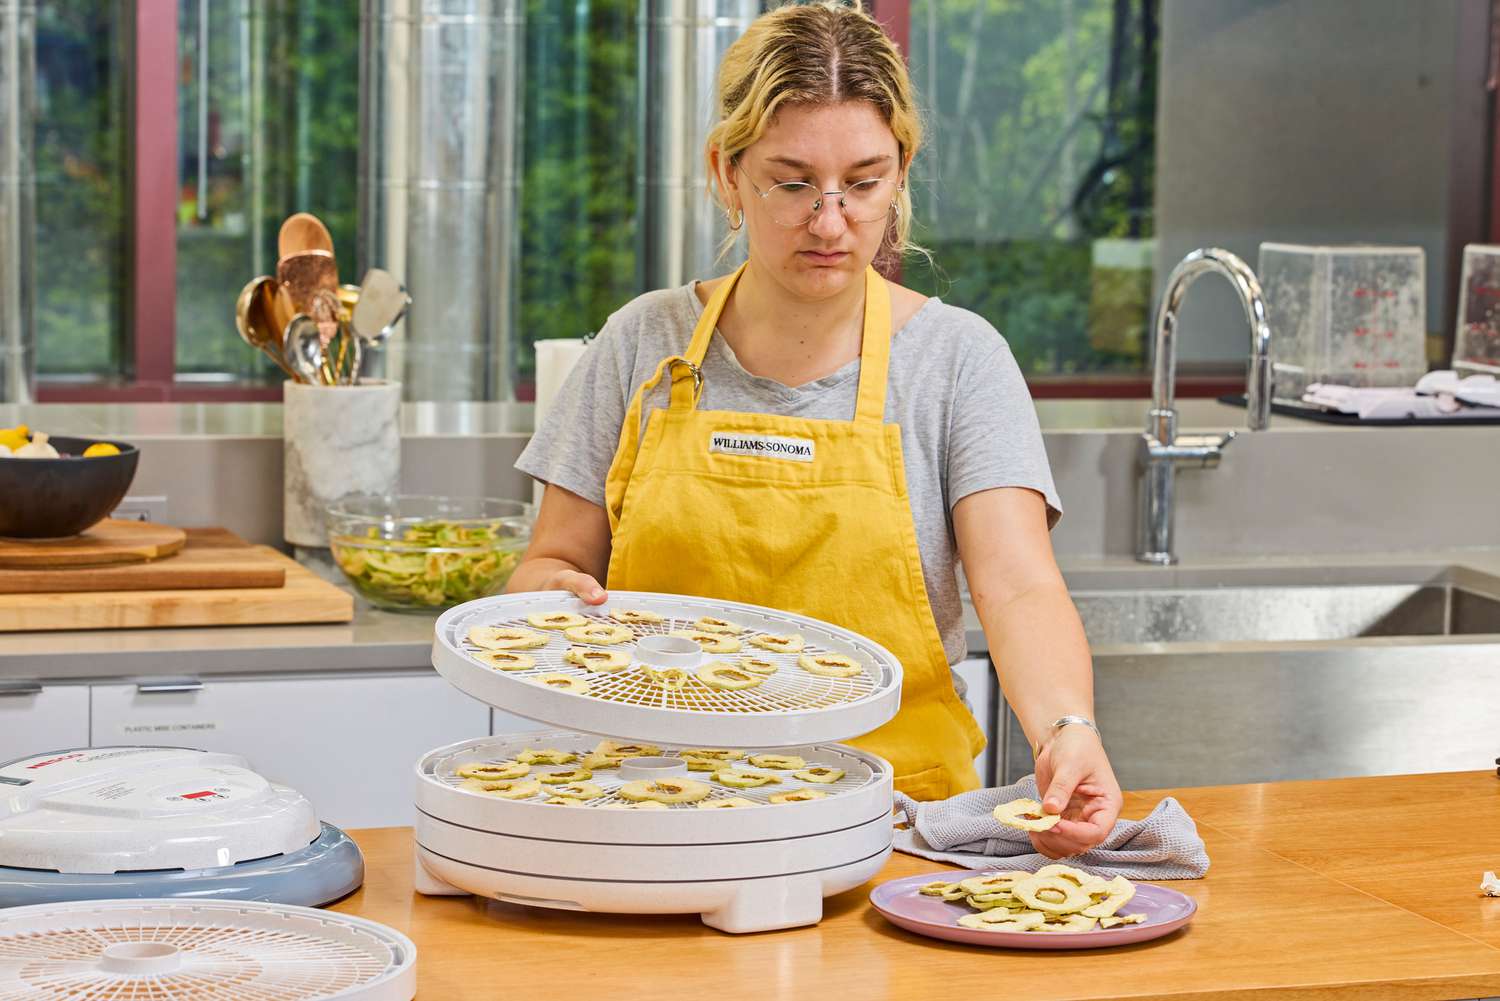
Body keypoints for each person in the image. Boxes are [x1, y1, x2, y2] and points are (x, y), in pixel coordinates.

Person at [511, 0, 1120, 858]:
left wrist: (1066, 727)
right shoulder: (640, 344)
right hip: (647, 814)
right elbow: (554, 561)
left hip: (888, 824)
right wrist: (546, 601)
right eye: (792, 183)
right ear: (726, 172)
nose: (830, 223)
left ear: (900, 171)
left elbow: (1018, 584)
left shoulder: (957, 359)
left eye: (863, 183)